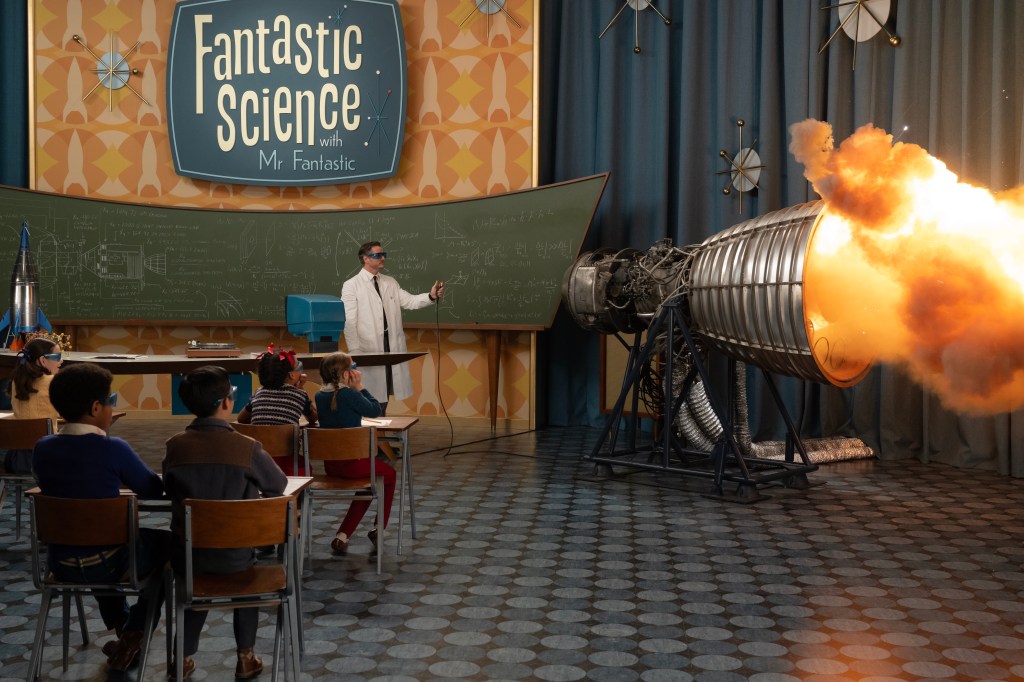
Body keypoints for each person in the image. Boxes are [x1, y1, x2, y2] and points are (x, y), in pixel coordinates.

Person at [32, 363, 170, 672]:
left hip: (60, 562)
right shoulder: (114, 448)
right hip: (109, 560)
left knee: (93, 537)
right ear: (96, 408)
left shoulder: (42, 448)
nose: (113, 407)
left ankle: (123, 629)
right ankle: (135, 631)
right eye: (112, 400)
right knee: (169, 548)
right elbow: (152, 488)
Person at [162, 366, 288, 680]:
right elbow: (277, 485)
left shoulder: (175, 446)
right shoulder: (247, 447)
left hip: (188, 557)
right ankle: (246, 657)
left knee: (194, 583)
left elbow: (168, 487)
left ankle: (182, 658)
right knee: (247, 578)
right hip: (236, 559)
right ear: (227, 402)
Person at [340, 241, 444, 413]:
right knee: (370, 394)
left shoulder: (390, 282)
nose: (382, 258)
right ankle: (373, 426)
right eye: (377, 255)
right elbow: (349, 321)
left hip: (390, 346)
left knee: (385, 390)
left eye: (383, 255)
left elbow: (410, 301)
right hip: (367, 348)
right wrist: (355, 351)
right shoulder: (352, 285)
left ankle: (380, 423)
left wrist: (431, 296)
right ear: (365, 258)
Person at [315, 352, 397, 557]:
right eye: (354, 367)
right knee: (390, 475)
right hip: (354, 463)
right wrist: (360, 386)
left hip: (332, 465)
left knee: (369, 483)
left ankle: (343, 535)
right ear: (346, 374)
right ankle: (379, 528)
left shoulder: (319, 395)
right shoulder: (349, 394)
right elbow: (375, 410)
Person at [236, 344, 318, 474]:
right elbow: (314, 418)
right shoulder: (299, 395)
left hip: (258, 464)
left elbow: (241, 419)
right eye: (299, 366)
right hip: (288, 467)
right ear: (292, 375)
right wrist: (301, 388)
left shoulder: (259, 392)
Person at [4, 338, 63, 474]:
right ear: (43, 360)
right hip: (48, 458)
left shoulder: (16, 381)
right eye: (57, 357)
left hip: (16, 459)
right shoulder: (55, 382)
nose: (61, 361)